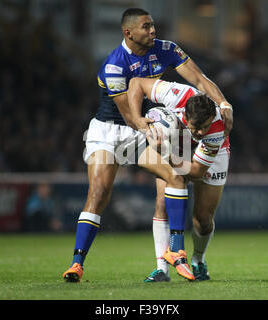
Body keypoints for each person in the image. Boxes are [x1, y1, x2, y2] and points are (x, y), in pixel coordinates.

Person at [63, 7, 233, 282]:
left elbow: (200, 79)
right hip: (110, 131)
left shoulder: (165, 49)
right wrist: (146, 127)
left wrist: (224, 103)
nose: (153, 30)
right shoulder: (114, 66)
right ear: (128, 32)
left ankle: (175, 253)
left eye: (152, 25)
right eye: (146, 27)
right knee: (100, 193)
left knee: (174, 179)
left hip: (146, 128)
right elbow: (128, 114)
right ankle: (77, 263)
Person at [127, 77, 231, 282]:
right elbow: (136, 83)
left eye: (205, 126)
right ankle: (161, 269)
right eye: (197, 127)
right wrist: (137, 118)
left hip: (210, 155)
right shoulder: (177, 94)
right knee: (162, 202)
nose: (201, 132)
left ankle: (198, 260)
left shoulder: (215, 129)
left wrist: (165, 153)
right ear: (185, 115)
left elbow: (196, 172)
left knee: (203, 219)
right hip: (176, 143)